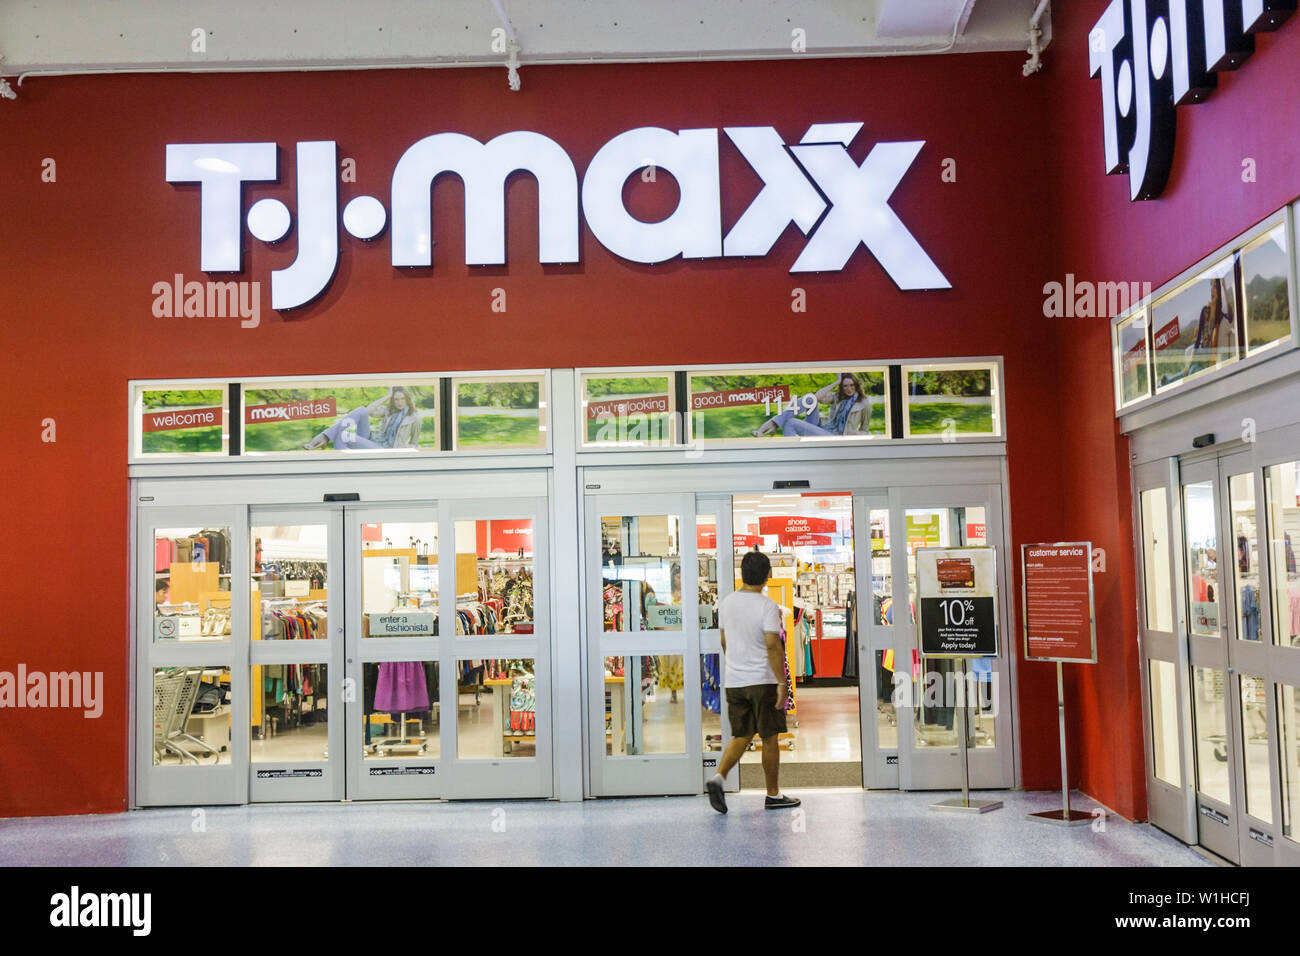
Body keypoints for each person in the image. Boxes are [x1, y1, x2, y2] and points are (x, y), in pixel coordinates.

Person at [706, 550, 800, 813]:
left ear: (742, 575)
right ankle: (773, 795)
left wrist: (737, 662)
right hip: (762, 680)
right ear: (767, 576)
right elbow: (772, 645)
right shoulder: (766, 606)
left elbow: (724, 641)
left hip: (735, 681)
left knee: (742, 734)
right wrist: (782, 682)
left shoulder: (726, 604)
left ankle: (718, 778)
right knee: (770, 736)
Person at [303, 386, 429, 450]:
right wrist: (387, 396)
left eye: (402, 399)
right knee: (360, 410)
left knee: (343, 435)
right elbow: (367, 410)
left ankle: (325, 438)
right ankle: (325, 437)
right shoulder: (388, 411)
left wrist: (404, 449)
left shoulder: (415, 418)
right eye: (396, 399)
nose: (400, 402)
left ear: (407, 399)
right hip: (371, 439)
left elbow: (414, 443)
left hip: (384, 450)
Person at [751, 373, 871, 438]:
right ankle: (775, 423)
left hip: (835, 436)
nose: (849, 389)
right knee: (809, 398)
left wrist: (855, 436)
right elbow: (817, 397)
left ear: (856, 385)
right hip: (822, 427)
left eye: (851, 385)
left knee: (790, 423)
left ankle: (772, 425)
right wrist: (836, 382)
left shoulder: (864, 403)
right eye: (845, 386)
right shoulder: (837, 397)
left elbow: (865, 429)